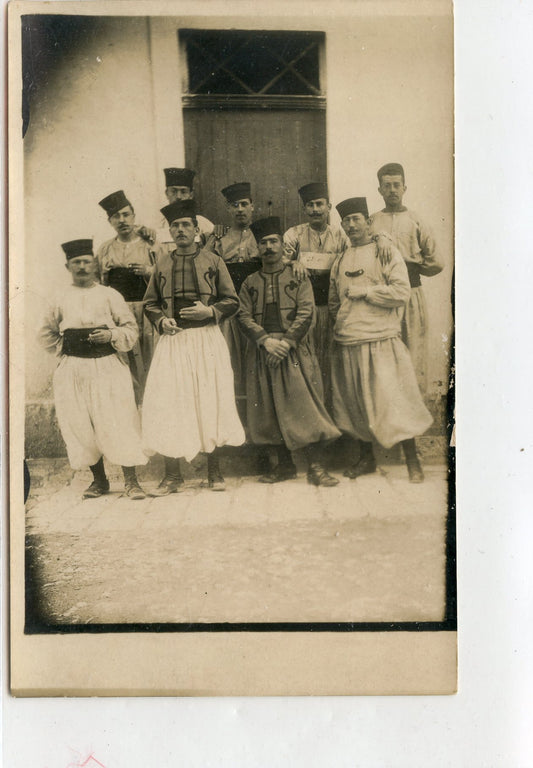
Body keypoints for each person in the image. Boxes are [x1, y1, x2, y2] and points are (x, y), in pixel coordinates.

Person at [142, 199, 245, 494]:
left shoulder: (213, 260)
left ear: (197, 229)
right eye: (175, 225)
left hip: (206, 339)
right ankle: (173, 476)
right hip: (173, 341)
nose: (181, 230)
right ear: (170, 231)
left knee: (210, 400)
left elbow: (232, 300)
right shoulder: (162, 262)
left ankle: (215, 473)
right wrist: (162, 321)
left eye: (186, 224)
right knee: (169, 403)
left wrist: (209, 312)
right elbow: (150, 304)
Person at [329, 197, 433, 483]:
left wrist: (367, 292)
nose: (351, 226)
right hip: (349, 340)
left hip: (381, 339)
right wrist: (340, 325)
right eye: (346, 221)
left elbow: (401, 292)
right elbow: (334, 299)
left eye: (356, 219)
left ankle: (412, 460)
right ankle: (367, 459)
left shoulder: (385, 251)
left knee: (393, 399)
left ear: (368, 222)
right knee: (355, 403)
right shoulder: (340, 258)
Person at [38, 239, 148, 499]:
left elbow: (132, 329)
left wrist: (110, 335)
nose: (83, 267)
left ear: (95, 264)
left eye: (87, 261)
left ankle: (131, 481)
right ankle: (99, 481)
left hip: (107, 366)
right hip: (73, 369)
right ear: (68, 266)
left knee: (119, 420)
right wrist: (66, 345)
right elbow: (44, 333)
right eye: (77, 262)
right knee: (80, 423)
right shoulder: (59, 297)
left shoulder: (110, 295)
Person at [238, 216, 341, 486]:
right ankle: (284, 466)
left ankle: (316, 467)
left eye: (274, 241)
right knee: (268, 409)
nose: (269, 247)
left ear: (283, 245)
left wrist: (285, 342)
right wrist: (264, 340)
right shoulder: (249, 282)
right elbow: (243, 315)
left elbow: (307, 312)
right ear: (257, 247)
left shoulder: (297, 274)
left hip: (293, 351)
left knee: (304, 406)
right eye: (263, 243)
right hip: (263, 352)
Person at [284, 182, 391, 407]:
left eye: (319, 204)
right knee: (306, 362)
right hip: (304, 311)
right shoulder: (294, 234)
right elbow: (280, 260)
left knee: (331, 363)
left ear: (328, 206)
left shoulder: (340, 235)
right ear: (305, 209)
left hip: (332, 309)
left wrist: (381, 237)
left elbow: (360, 245)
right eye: (310, 205)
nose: (315, 209)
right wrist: (293, 262)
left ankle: (333, 416)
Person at [371, 162, 444, 395]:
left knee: (413, 350)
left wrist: (408, 267)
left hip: (411, 295)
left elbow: (437, 262)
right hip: (382, 297)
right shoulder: (372, 221)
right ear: (380, 190)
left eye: (396, 185)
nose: (392, 190)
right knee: (384, 353)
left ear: (405, 187)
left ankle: (415, 415)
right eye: (387, 186)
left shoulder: (416, 220)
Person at [205, 182, 263, 418]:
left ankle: (258, 420)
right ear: (228, 209)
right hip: (230, 311)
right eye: (234, 205)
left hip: (256, 308)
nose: (240, 209)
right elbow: (207, 267)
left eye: (244, 204)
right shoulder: (219, 237)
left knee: (255, 363)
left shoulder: (264, 235)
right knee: (230, 363)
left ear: (253, 207)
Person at [96, 189, 157, 401]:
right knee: (124, 362)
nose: (122, 220)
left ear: (134, 216)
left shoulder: (149, 244)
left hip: (146, 312)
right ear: (110, 221)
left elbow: (165, 275)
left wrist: (148, 272)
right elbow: (97, 285)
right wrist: (105, 275)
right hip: (119, 315)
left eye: (126, 214)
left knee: (150, 360)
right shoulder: (105, 249)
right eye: (116, 216)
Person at [153, 167, 214, 252]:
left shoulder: (204, 224)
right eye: (173, 191)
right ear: (167, 193)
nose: (178, 197)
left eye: (183, 191)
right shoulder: (157, 226)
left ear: (191, 195)